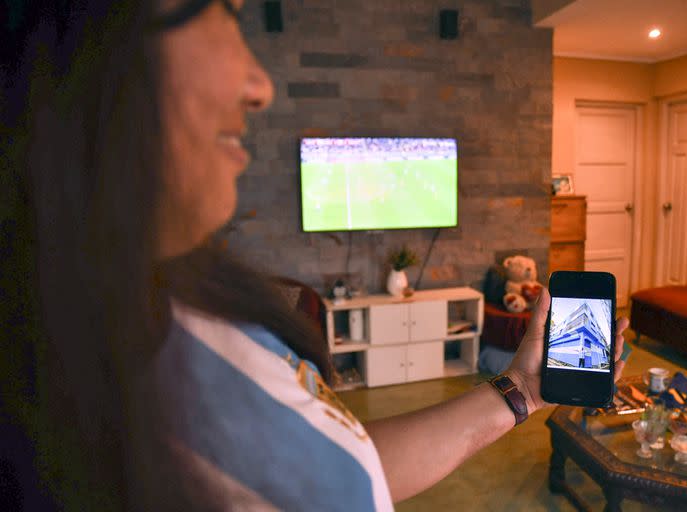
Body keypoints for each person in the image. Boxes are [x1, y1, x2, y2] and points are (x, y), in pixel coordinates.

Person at [0, 1, 630, 510]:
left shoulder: (132, 306)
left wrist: (519, 389)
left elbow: (345, 457)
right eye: (218, 8)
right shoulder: (156, 353)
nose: (260, 85)